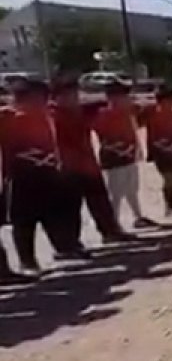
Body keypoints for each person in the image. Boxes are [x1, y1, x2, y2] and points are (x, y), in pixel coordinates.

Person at [0, 79, 77, 276]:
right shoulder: (9, 117)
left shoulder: (45, 116)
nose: (44, 101)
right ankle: (28, 261)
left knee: (51, 214)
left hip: (47, 173)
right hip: (21, 176)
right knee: (24, 220)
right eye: (39, 97)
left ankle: (63, 247)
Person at [50, 76, 135, 247]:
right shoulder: (53, 115)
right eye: (68, 95)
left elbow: (104, 111)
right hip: (67, 168)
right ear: (57, 97)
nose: (73, 99)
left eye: (75, 94)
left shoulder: (81, 111)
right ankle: (70, 244)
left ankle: (110, 232)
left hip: (88, 165)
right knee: (70, 208)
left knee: (100, 202)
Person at [93, 82, 158, 230]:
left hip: (129, 154)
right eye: (124, 96)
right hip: (114, 156)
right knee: (116, 192)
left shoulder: (127, 113)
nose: (127, 98)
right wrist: (119, 148)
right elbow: (103, 136)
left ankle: (138, 217)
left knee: (131, 189)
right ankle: (113, 223)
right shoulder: (104, 114)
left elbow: (144, 113)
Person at [142, 86, 172, 216]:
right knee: (170, 179)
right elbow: (153, 136)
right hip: (162, 151)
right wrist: (164, 146)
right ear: (163, 100)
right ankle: (169, 207)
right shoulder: (153, 114)